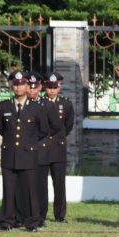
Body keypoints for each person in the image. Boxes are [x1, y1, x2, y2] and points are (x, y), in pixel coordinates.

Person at [0, 70, 48, 231]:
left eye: (22, 84)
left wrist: (29, 142)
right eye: (16, 84)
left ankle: (32, 221)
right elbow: (1, 128)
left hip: (28, 153)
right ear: (12, 86)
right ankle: (8, 220)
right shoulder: (4, 106)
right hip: (9, 154)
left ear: (27, 86)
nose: (18, 87)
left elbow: (43, 130)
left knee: (30, 189)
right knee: (9, 189)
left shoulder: (36, 107)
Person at [26, 71, 62, 228]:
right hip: (24, 151)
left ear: (40, 87)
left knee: (40, 185)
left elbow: (56, 126)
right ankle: (23, 214)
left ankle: (40, 216)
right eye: (30, 87)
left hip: (40, 150)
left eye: (35, 88)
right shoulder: (21, 104)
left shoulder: (46, 105)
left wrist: (41, 137)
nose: (32, 90)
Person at [42, 72, 75, 222]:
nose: (51, 90)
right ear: (45, 87)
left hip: (58, 148)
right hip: (42, 147)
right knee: (41, 183)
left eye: (54, 87)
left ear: (59, 87)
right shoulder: (39, 103)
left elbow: (68, 126)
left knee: (59, 183)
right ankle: (41, 213)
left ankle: (60, 214)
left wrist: (59, 137)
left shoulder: (66, 104)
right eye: (49, 87)